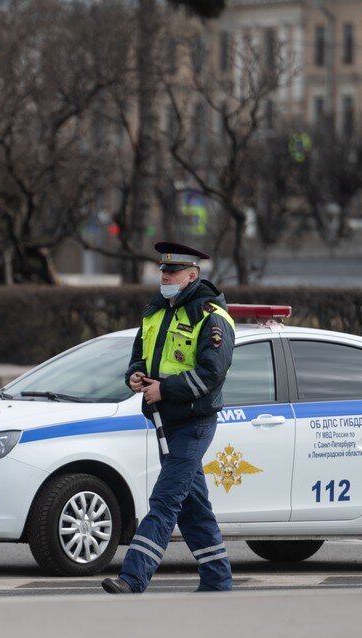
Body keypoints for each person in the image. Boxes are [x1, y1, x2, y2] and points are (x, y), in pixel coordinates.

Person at [101, 241, 235, 594]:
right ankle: (218, 579)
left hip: (194, 423)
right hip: (164, 422)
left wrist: (165, 389)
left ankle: (133, 578)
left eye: (173, 272)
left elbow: (212, 374)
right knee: (192, 506)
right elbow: (140, 357)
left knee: (165, 500)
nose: (165, 276)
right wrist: (134, 376)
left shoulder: (210, 316)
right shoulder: (155, 312)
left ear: (192, 276)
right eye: (163, 270)